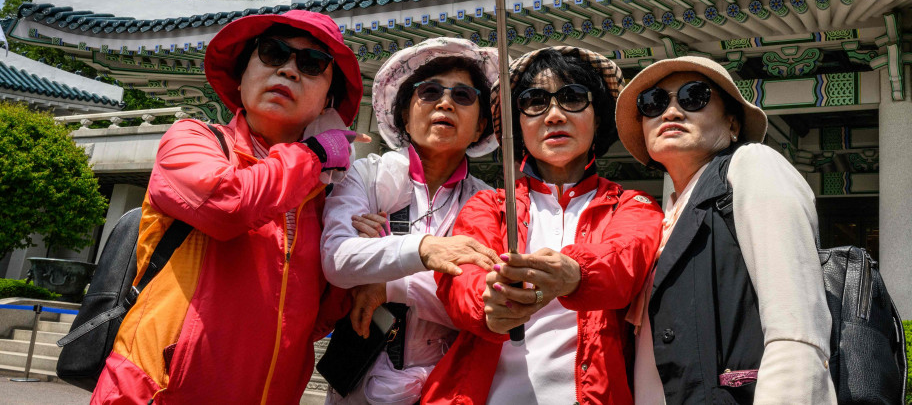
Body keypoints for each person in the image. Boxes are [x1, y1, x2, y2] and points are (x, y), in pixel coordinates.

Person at [91, 11, 364, 405]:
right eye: (272, 53)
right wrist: (314, 155)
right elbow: (227, 206)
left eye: (311, 64)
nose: (288, 70)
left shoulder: (326, 197)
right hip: (157, 394)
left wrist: (360, 253)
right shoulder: (192, 139)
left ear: (329, 103)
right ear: (241, 75)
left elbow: (316, 319)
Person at [422, 46, 664, 405]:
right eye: (534, 101)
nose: (553, 115)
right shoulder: (488, 204)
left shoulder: (633, 206)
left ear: (598, 118)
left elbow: (624, 263)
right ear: (518, 124)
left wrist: (576, 272)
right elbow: (461, 276)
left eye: (572, 98)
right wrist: (488, 302)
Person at [615, 56, 836, 405]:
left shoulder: (752, 166)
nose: (670, 112)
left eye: (693, 97)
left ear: (732, 123)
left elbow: (795, 328)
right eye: (653, 103)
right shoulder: (665, 214)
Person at [320, 37, 503, 405]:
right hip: (356, 388)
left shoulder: (489, 203)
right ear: (405, 112)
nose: (446, 103)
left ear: (482, 122)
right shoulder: (365, 176)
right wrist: (428, 252)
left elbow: (483, 302)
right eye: (430, 91)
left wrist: (385, 283)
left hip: (451, 387)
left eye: (463, 96)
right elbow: (338, 260)